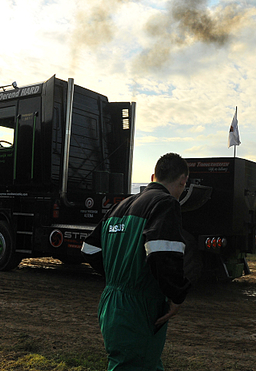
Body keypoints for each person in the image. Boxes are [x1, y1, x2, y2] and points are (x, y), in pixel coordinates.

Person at [81, 153, 191, 370]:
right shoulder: (165, 203)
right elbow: (162, 253)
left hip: (111, 303)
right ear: (183, 180)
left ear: (153, 177)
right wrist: (177, 296)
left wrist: (120, 274)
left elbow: (90, 249)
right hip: (139, 308)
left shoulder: (121, 205)